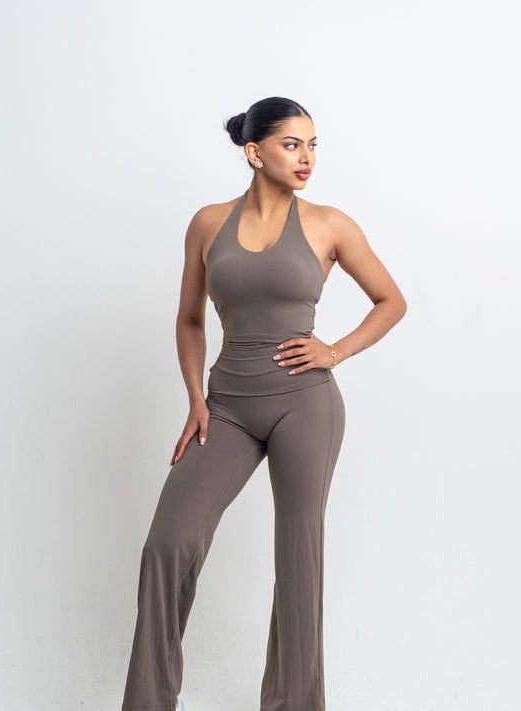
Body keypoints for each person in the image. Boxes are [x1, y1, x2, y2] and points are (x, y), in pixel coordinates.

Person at [121, 96, 407, 711]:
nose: (307, 158)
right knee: (168, 544)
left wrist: (335, 351)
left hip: (305, 403)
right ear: (254, 152)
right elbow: (190, 319)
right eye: (291, 144)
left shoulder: (330, 224)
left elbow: (391, 301)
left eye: (313, 146)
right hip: (226, 405)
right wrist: (196, 399)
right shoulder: (208, 223)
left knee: (298, 560)